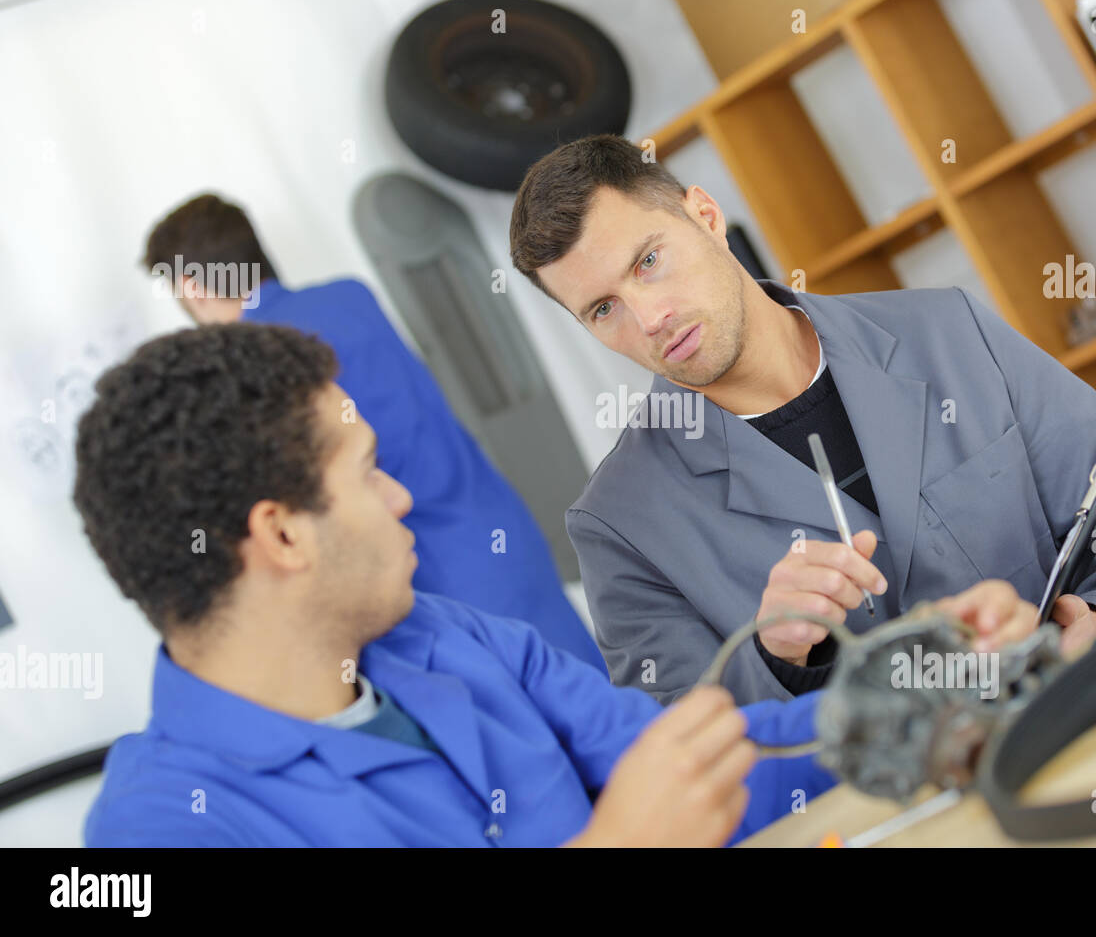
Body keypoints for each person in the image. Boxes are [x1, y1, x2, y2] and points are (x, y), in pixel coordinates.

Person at [73, 324, 837, 847]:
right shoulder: (166, 826)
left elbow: (695, 767)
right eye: (369, 471)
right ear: (282, 534)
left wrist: (912, 690)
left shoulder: (446, 637)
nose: (401, 498)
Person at [508, 134, 1096, 706]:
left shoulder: (945, 330)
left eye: (649, 261)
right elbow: (680, 745)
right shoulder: (620, 525)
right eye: (602, 309)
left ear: (706, 216)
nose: (649, 317)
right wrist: (775, 655)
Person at [141, 193, 603, 671]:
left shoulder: (252, 360)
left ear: (192, 287)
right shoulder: (350, 296)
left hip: (427, 576)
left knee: (521, 730)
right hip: (497, 530)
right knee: (595, 701)